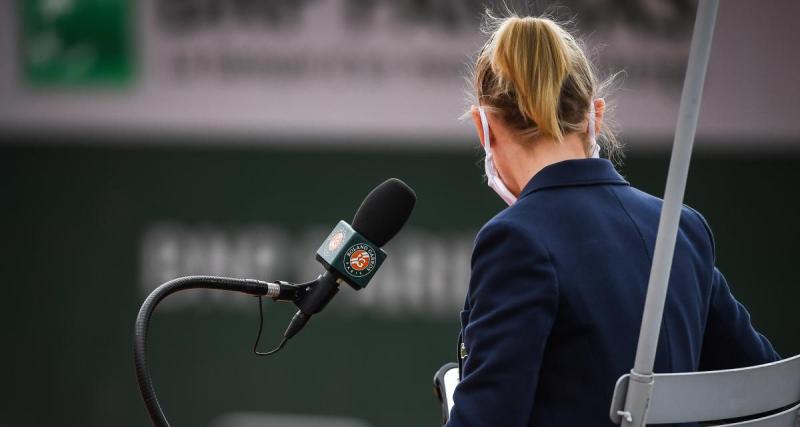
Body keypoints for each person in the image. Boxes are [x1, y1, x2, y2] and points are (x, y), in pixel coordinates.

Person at [447, 12, 780, 427]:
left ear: (485, 126)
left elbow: (485, 419)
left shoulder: (516, 239)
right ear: (595, 116)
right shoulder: (681, 227)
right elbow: (767, 387)